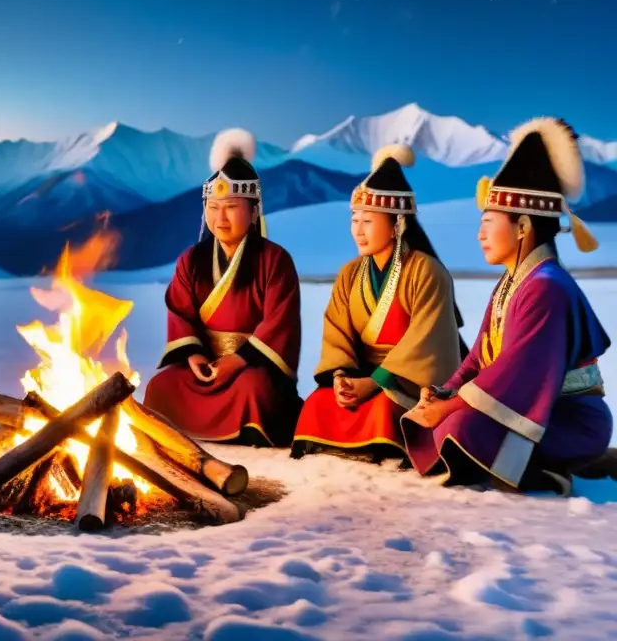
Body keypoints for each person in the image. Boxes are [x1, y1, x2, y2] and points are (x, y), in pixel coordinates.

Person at [402, 117, 612, 496]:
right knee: (443, 420)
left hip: (568, 419)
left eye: (488, 221)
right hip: (535, 411)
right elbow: (480, 358)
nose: (479, 234)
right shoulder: (511, 283)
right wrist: (445, 393)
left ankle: (545, 475)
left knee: (461, 427)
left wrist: (448, 410)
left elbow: (516, 374)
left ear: (522, 227)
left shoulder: (546, 287)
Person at [291, 145, 466, 463]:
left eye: (368, 221)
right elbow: (337, 333)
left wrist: (375, 382)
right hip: (363, 376)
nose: (357, 230)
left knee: (384, 408)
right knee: (320, 402)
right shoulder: (349, 273)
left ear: (397, 224)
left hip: (407, 384)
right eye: (354, 220)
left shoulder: (427, 271)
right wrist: (342, 376)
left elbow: (426, 342)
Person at [142, 129, 303, 447]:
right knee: (161, 387)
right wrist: (195, 357)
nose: (221, 217)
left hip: (250, 367)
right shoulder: (191, 260)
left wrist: (237, 361)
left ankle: (247, 429)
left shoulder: (274, 260)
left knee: (255, 389)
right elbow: (180, 313)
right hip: (205, 367)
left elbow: (278, 324)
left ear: (253, 210)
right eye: (213, 207)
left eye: (231, 206)